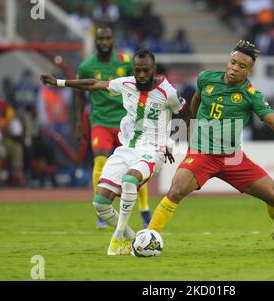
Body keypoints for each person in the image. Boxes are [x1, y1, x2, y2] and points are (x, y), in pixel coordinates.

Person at [148, 40, 274, 252]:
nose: (234, 68)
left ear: (249, 70)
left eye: (241, 66)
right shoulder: (206, 78)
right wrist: (188, 128)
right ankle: (147, 238)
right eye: (233, 62)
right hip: (202, 154)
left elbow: (272, 121)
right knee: (176, 190)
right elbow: (195, 101)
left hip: (232, 158)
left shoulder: (251, 95)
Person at [40, 50, 190, 255]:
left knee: (129, 180)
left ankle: (117, 237)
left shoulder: (168, 92)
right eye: (138, 70)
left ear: (153, 70)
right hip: (126, 148)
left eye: (146, 70)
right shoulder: (126, 83)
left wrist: (171, 142)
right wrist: (58, 82)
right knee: (100, 203)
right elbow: (93, 84)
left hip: (153, 151)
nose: (142, 75)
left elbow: (186, 115)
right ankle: (133, 238)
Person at [76, 27, 152, 229]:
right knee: (100, 158)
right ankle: (101, 211)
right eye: (100, 38)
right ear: (95, 41)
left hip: (125, 121)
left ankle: (144, 209)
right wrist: (78, 123)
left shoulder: (126, 62)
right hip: (100, 120)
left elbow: (140, 86)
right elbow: (78, 95)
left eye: (107, 38)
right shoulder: (86, 66)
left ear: (113, 40)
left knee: (137, 163)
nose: (103, 42)